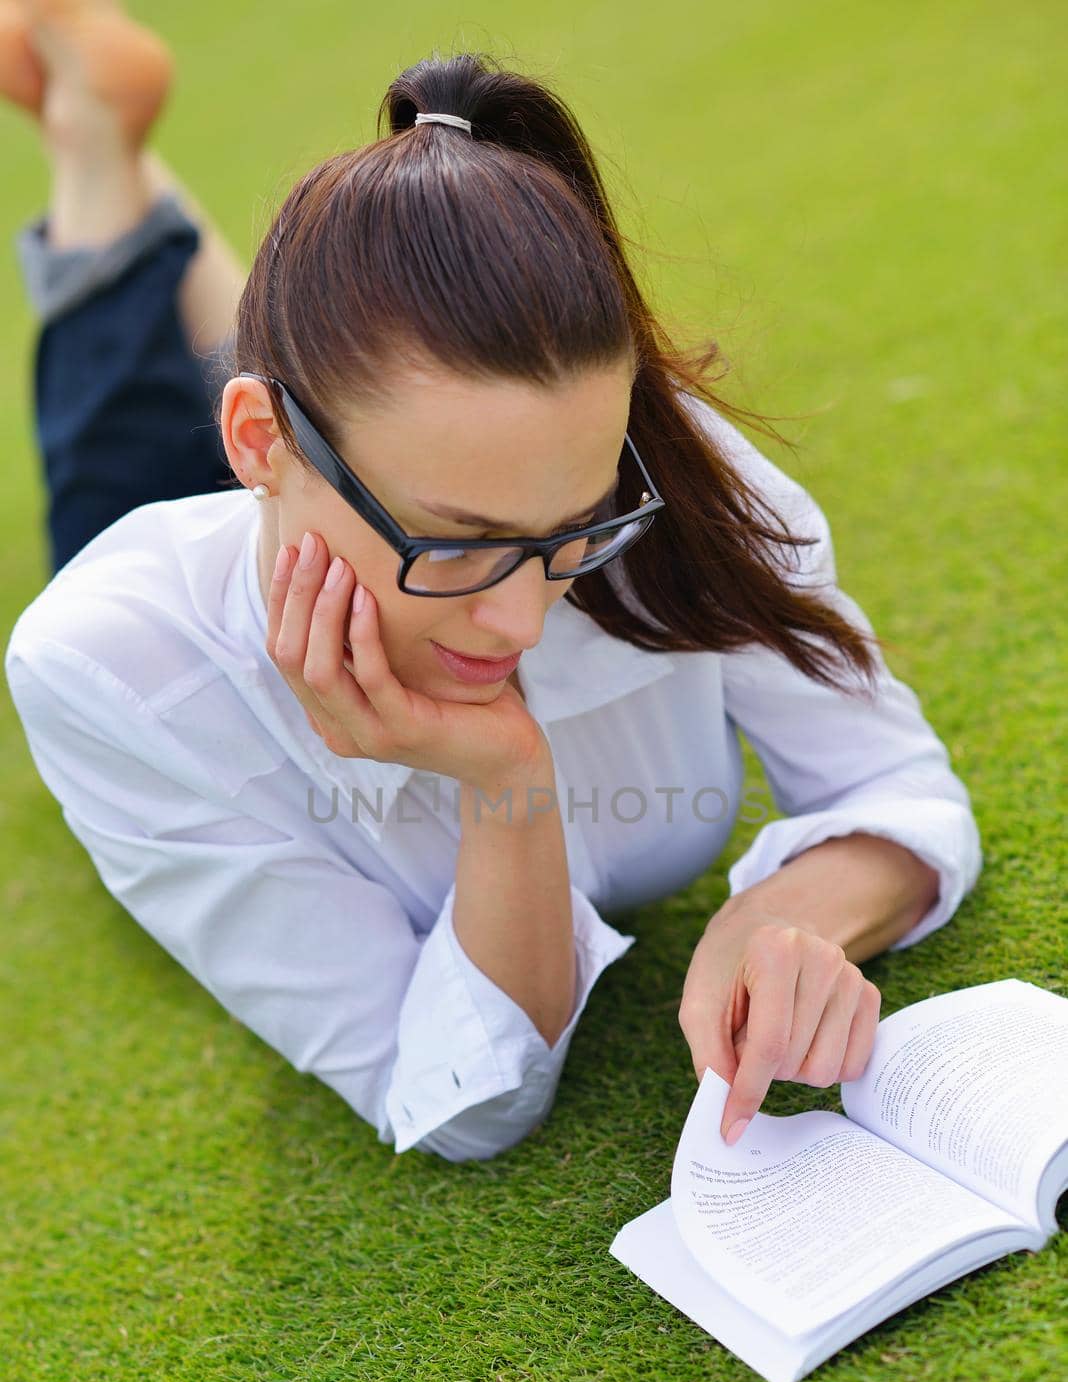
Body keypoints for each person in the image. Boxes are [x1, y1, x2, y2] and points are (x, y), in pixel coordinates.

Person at [2, 2, 982, 1162]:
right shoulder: (117, 663)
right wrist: (507, 780)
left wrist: (780, 917)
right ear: (256, 448)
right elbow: (455, 1106)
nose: (522, 616)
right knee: (108, 444)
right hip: (201, 539)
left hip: (318, 446)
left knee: (343, 388)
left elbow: (899, 788)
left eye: (572, 530)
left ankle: (165, 205)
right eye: (457, 543)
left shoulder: (668, 475)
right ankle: (101, 152)